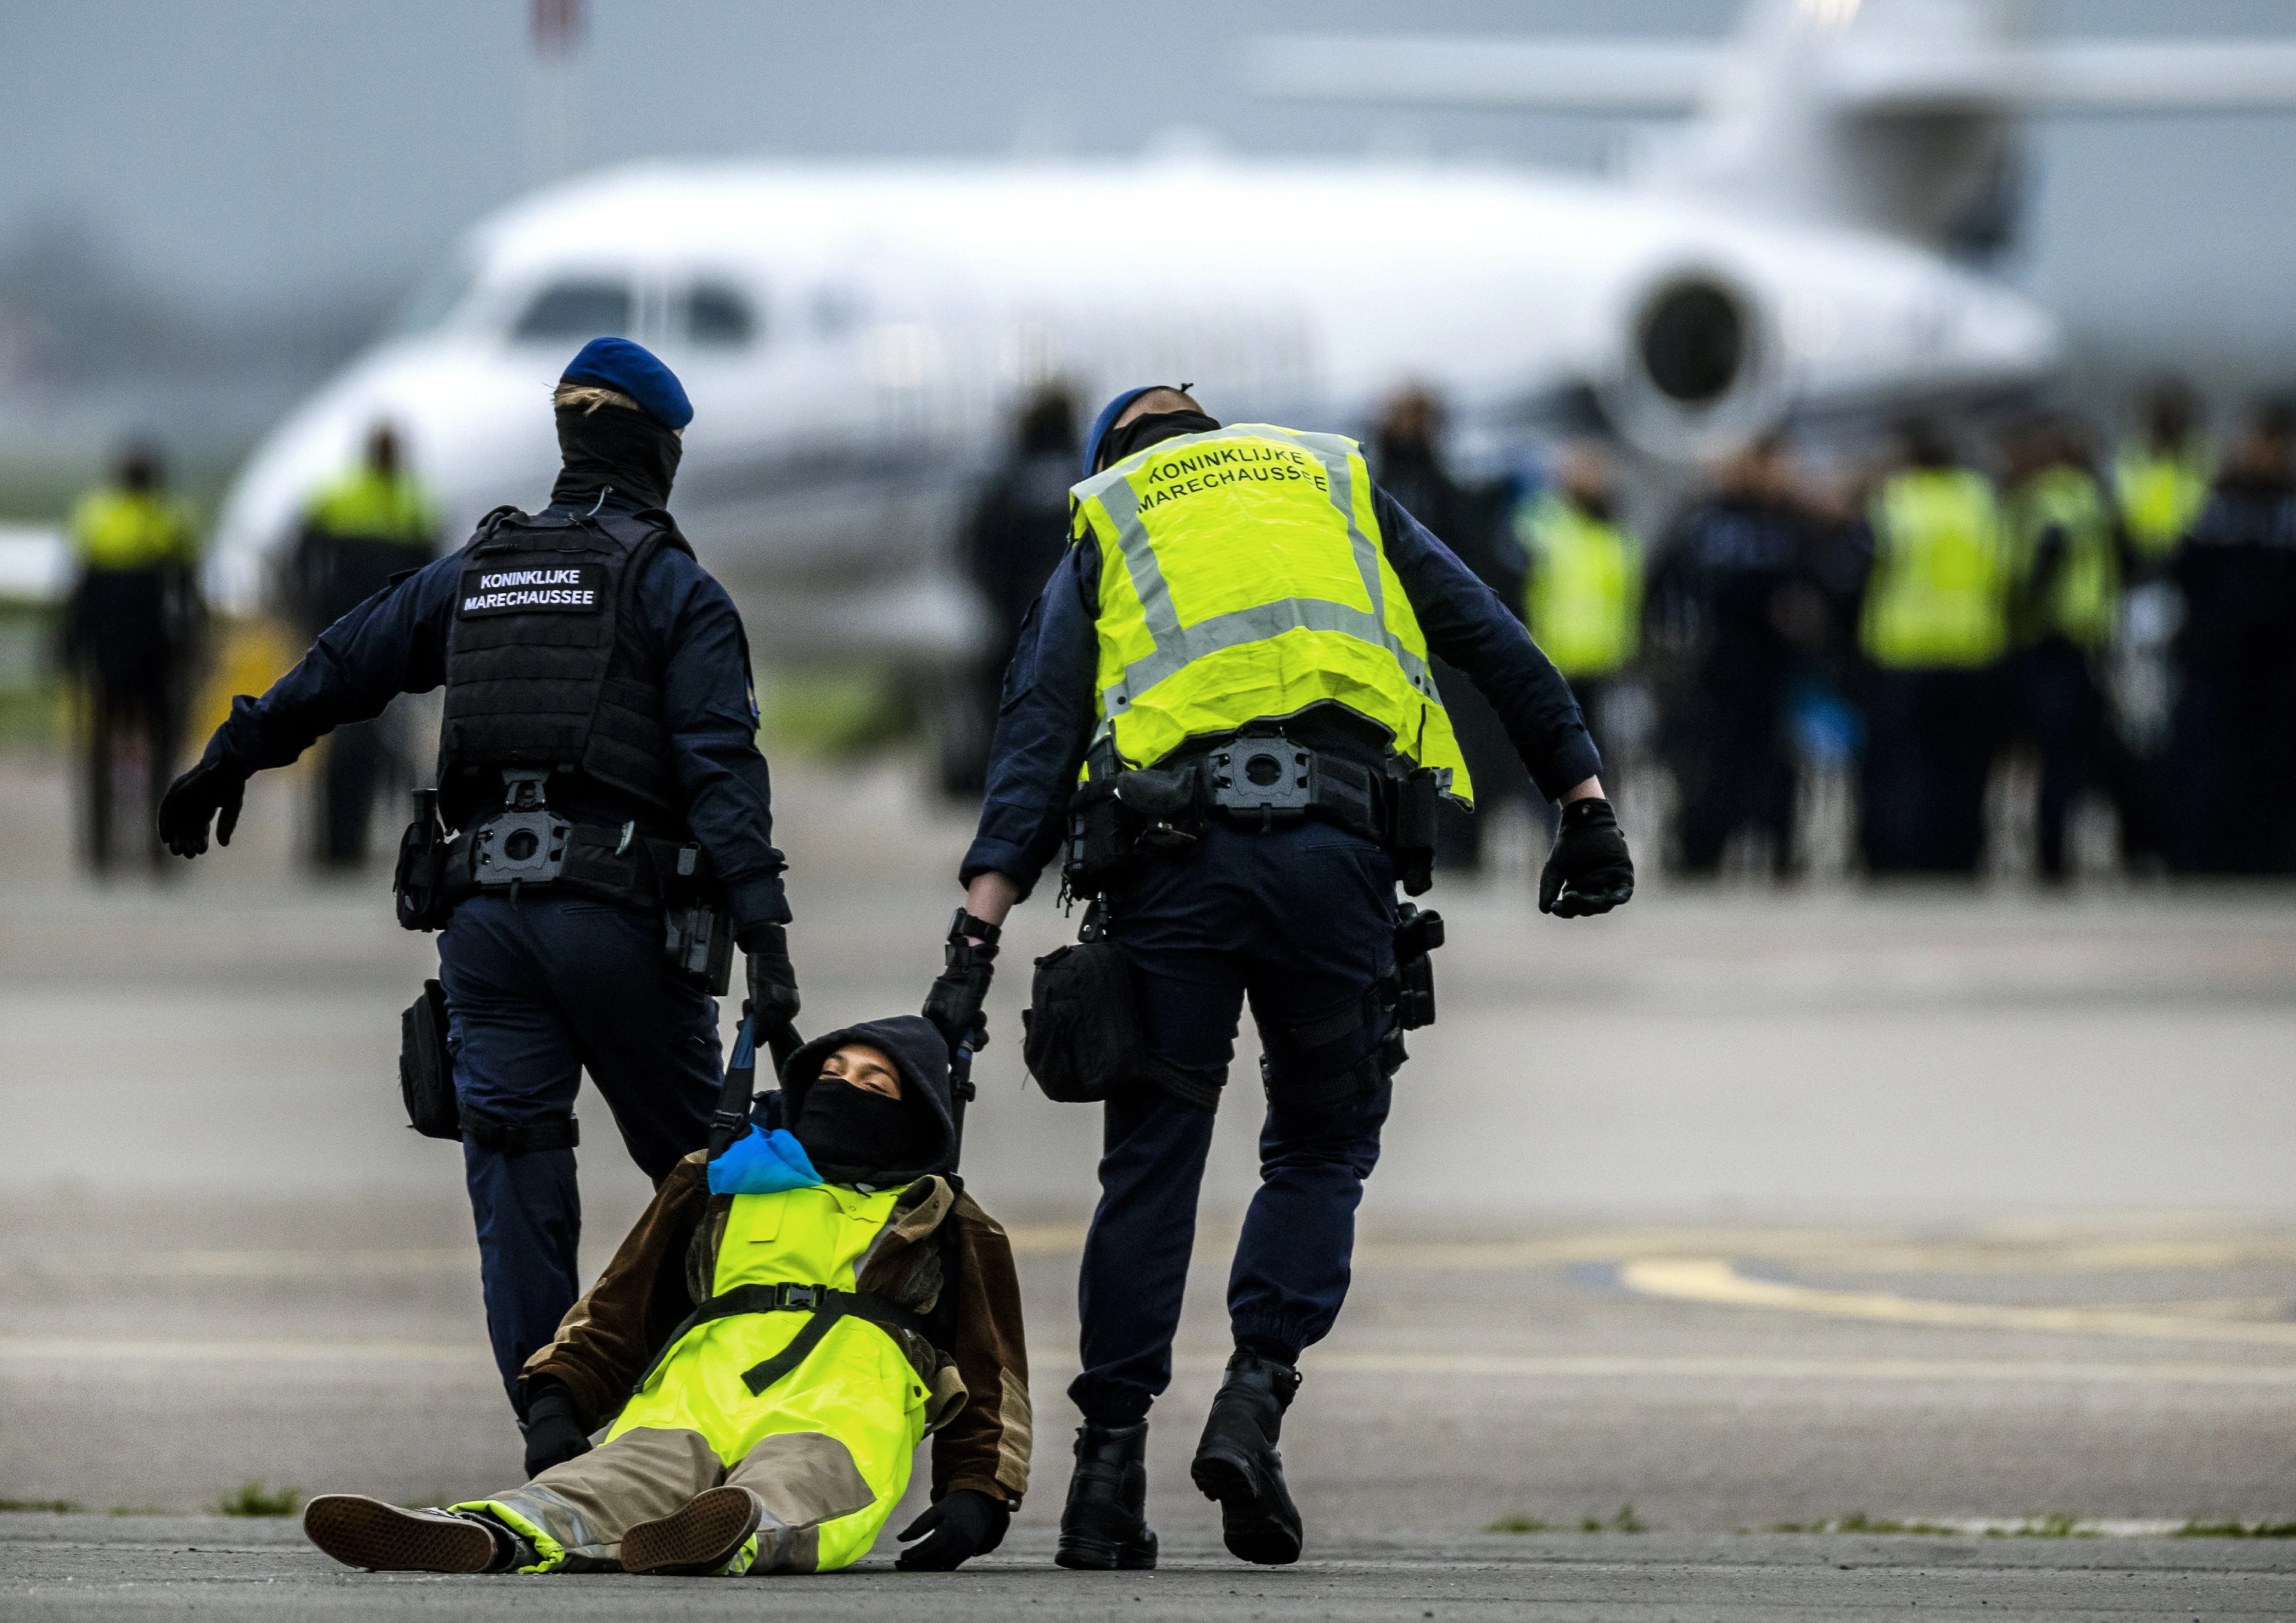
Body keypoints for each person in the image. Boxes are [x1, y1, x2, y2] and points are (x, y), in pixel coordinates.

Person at [948, 386, 1631, 1570]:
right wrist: (1584, 801)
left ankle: (1106, 1483)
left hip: (1177, 871)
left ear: (1118, 452)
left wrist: (975, 935)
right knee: (1317, 1146)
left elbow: (1036, 735)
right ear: (1214, 438)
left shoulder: (1110, 513)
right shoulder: (1331, 479)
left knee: (1152, 1162)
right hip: (1337, 858)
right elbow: (1492, 635)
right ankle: (1254, 1399)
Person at [157, 338, 804, 1433]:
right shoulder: (673, 585)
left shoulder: (481, 568)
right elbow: (722, 770)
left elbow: (340, 665)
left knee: (517, 1168)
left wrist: (230, 755)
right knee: (715, 1174)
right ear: (658, 449)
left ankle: (552, 1423)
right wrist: (769, 941)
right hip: (621, 925)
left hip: (486, 930)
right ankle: (732, 1418)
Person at [302, 1019, 1029, 1576]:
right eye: (832, 1072)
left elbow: (993, 1370)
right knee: (605, 1479)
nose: (845, 1087)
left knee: (797, 1487)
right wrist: (560, 1395)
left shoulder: (944, 1219)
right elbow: (621, 1301)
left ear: (918, 1116)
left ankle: (732, 1537)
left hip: (841, 1412)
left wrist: (980, 1492)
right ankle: (493, 1530)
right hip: (690, 1399)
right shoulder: (718, 1179)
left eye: (875, 1083)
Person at [1368, 386, 1528, 871]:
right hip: (1386, 642)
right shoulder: (1373, 487)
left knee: (1456, 747)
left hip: (1439, 649)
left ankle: (1456, 841)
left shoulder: (1447, 494)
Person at [1647, 435, 1815, 875]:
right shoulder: (1702, 523)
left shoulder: (1789, 523)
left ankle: (1777, 853)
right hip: (1712, 671)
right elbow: (1663, 586)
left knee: (1772, 768)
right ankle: (1698, 854)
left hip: (1772, 672)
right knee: (1710, 769)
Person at [1857, 417, 2010, 875]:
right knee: (1965, 767)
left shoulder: (1896, 502)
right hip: (1973, 650)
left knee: (1903, 766)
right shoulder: (1983, 503)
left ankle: (1903, 857)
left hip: (1904, 654)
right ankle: (1960, 855)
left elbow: (1865, 568)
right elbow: (2005, 571)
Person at [288, 422, 441, 867]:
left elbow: (299, 556)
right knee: (373, 743)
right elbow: (433, 575)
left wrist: (311, 611)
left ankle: (337, 845)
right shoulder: (415, 503)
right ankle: (348, 845)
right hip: (387, 641)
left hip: (345, 635)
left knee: (344, 741)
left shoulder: (336, 497)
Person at [2166, 401, 2296, 873]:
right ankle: (2204, 855)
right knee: (2210, 764)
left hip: (2277, 669)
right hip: (2219, 664)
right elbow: (2185, 574)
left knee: (2272, 767)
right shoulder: (2218, 508)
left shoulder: (2284, 511)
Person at [60, 442, 203, 872]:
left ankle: (107, 847)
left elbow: (78, 594)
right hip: (149, 651)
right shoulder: (172, 518)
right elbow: (189, 595)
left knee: (108, 750)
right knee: (153, 750)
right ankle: (146, 845)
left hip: (118, 652)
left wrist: (71, 646)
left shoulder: (96, 516)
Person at [2000, 416, 2118, 882]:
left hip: (2050, 640)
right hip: (2082, 640)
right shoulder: (2092, 498)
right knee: (2068, 755)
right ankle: (2060, 848)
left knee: (2050, 756)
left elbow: (2045, 560)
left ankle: (2050, 853)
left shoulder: (2048, 499)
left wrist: (2020, 607)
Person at [947, 386, 1081, 796]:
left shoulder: (1005, 484)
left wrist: (1003, 609)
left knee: (1014, 743)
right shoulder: (1091, 476)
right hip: (1080, 631)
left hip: (1017, 632)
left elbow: (976, 553)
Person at [1516, 439, 1642, 801]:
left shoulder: (1617, 538)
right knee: (1548, 758)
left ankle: (1594, 826)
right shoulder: (1546, 526)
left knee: (1599, 760)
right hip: (1553, 663)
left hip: (1605, 669)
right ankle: (1547, 832)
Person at [2114, 378, 2214, 576]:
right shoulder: (2131, 455)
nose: (2163, 421)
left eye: (2170, 414)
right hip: (2136, 557)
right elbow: (2124, 504)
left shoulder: (2199, 454)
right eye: (2157, 414)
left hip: (2191, 557)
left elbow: (2201, 504)